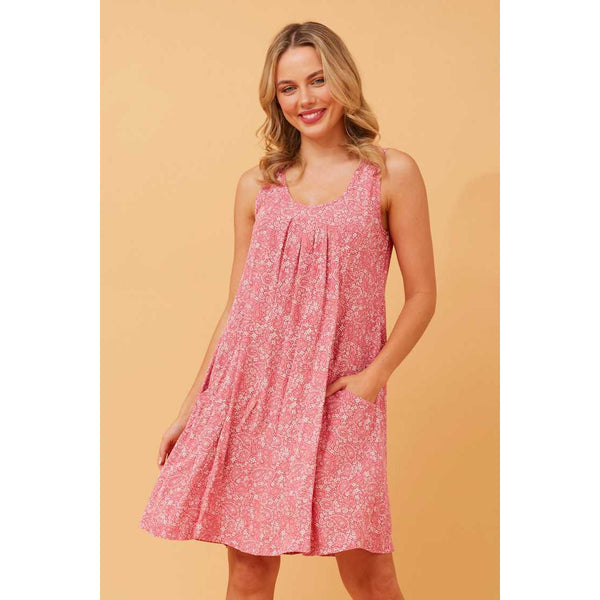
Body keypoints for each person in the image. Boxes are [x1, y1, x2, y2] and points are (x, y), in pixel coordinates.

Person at [140, 21, 436, 600]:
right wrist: (190, 407)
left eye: (317, 80)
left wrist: (374, 378)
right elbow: (237, 309)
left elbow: (423, 294)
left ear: (342, 81)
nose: (305, 99)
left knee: (370, 575)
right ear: (275, 99)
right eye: (288, 88)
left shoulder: (390, 173)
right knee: (249, 576)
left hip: (339, 394)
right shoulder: (258, 186)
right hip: (253, 395)